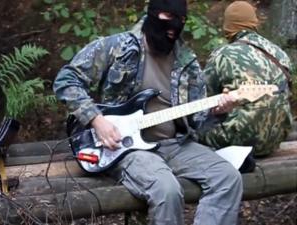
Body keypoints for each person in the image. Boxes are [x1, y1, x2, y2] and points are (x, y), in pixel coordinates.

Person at [54, 0, 243, 224]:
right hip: (126, 148)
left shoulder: (187, 62)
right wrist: (96, 119)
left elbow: (198, 122)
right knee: (167, 190)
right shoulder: (117, 47)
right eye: (168, 17)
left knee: (228, 178)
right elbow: (66, 80)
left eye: (181, 21)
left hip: (175, 145)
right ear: (153, 14)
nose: (174, 26)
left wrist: (218, 111)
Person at [198, 1, 294, 157]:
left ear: (228, 25)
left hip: (240, 141)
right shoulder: (279, 53)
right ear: (253, 22)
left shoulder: (223, 55)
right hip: (275, 139)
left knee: (191, 131)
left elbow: (202, 99)